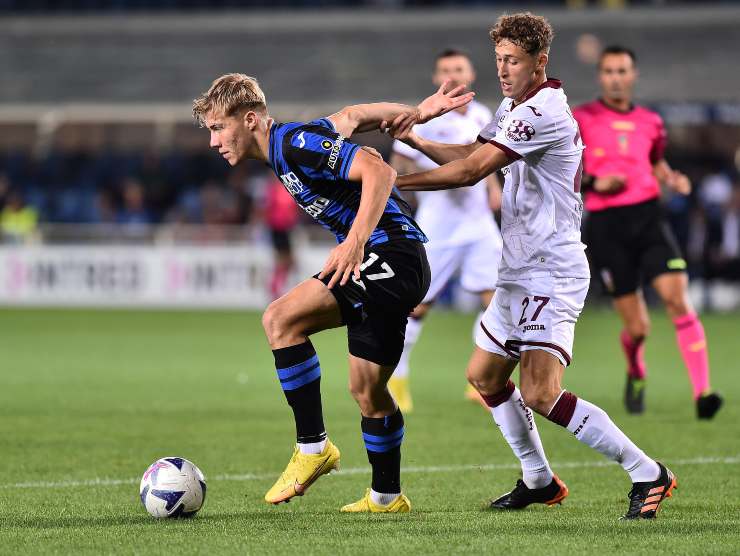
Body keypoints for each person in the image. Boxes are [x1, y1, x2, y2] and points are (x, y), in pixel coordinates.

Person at [385, 12, 676, 519]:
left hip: (552, 269)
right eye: (498, 58)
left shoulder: (543, 111)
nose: (502, 68)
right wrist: (418, 143)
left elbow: (472, 172)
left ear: (540, 62)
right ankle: (539, 480)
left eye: (513, 60)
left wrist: (391, 185)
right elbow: (475, 150)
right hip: (519, 268)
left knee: (541, 392)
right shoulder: (514, 104)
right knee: (485, 377)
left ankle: (647, 471)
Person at [192, 73, 473, 512]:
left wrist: (355, 240)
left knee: (281, 319)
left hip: (389, 255)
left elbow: (379, 170)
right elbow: (353, 116)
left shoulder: (293, 143)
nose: (213, 141)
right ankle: (386, 497)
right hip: (394, 263)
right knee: (368, 392)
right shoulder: (297, 142)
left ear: (249, 119)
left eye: (217, 128)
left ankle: (312, 448)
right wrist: (414, 113)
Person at [573, 46, 723, 419]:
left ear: (633, 75)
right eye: (609, 71)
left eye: (622, 70)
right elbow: (565, 168)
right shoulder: (580, 118)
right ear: (600, 77)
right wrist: (594, 181)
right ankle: (636, 371)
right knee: (638, 327)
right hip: (607, 226)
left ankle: (702, 392)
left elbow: (655, 162)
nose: (616, 77)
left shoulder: (651, 121)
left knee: (677, 300)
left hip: (649, 220)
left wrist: (672, 178)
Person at [388, 48, 503, 413]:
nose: (451, 74)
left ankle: (482, 381)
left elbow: (487, 160)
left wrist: (493, 187)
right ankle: (398, 378)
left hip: (480, 226)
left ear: (470, 74)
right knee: (418, 307)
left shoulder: (485, 114)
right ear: (437, 77)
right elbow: (398, 167)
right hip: (439, 227)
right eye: (444, 70)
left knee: (498, 301)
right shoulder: (424, 118)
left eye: (458, 68)